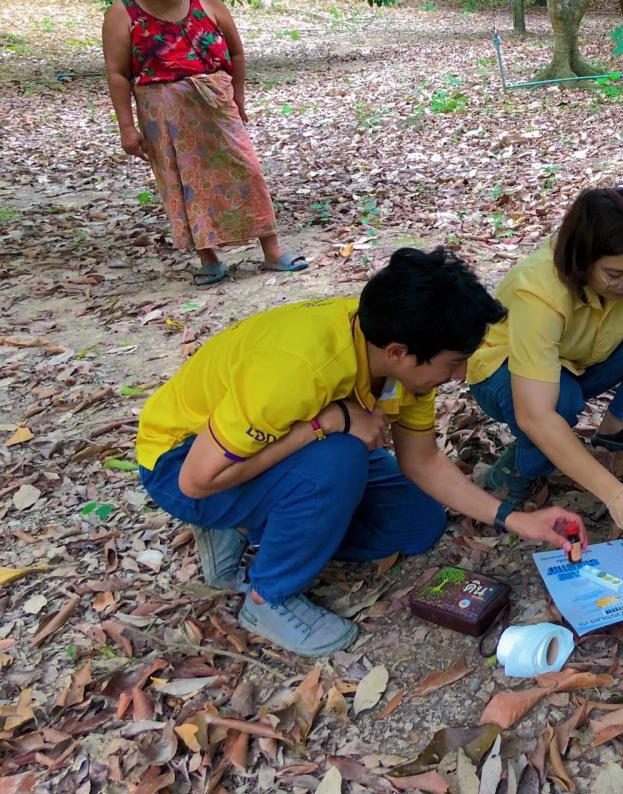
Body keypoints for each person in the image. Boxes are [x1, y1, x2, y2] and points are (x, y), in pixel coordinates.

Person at [135, 247, 585, 657]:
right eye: (453, 362)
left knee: (417, 522)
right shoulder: (297, 370)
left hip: (270, 451)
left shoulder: (401, 361)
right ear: (399, 352)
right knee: (340, 458)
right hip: (183, 462)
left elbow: (422, 462)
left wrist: (515, 518)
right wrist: (323, 424)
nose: (460, 374)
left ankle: (254, 522)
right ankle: (267, 598)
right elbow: (195, 480)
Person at [467, 187, 623, 535]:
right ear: (581, 261)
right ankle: (515, 470)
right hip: (503, 376)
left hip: (578, 362)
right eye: (614, 275)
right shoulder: (539, 290)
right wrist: (614, 493)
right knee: (559, 402)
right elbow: (536, 414)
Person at [101, 0, 306, 286]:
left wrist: (238, 97)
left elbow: (237, 52)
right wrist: (127, 127)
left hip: (213, 102)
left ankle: (272, 251)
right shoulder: (122, 11)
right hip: (160, 113)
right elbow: (118, 73)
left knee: (246, 170)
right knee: (181, 183)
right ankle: (208, 258)